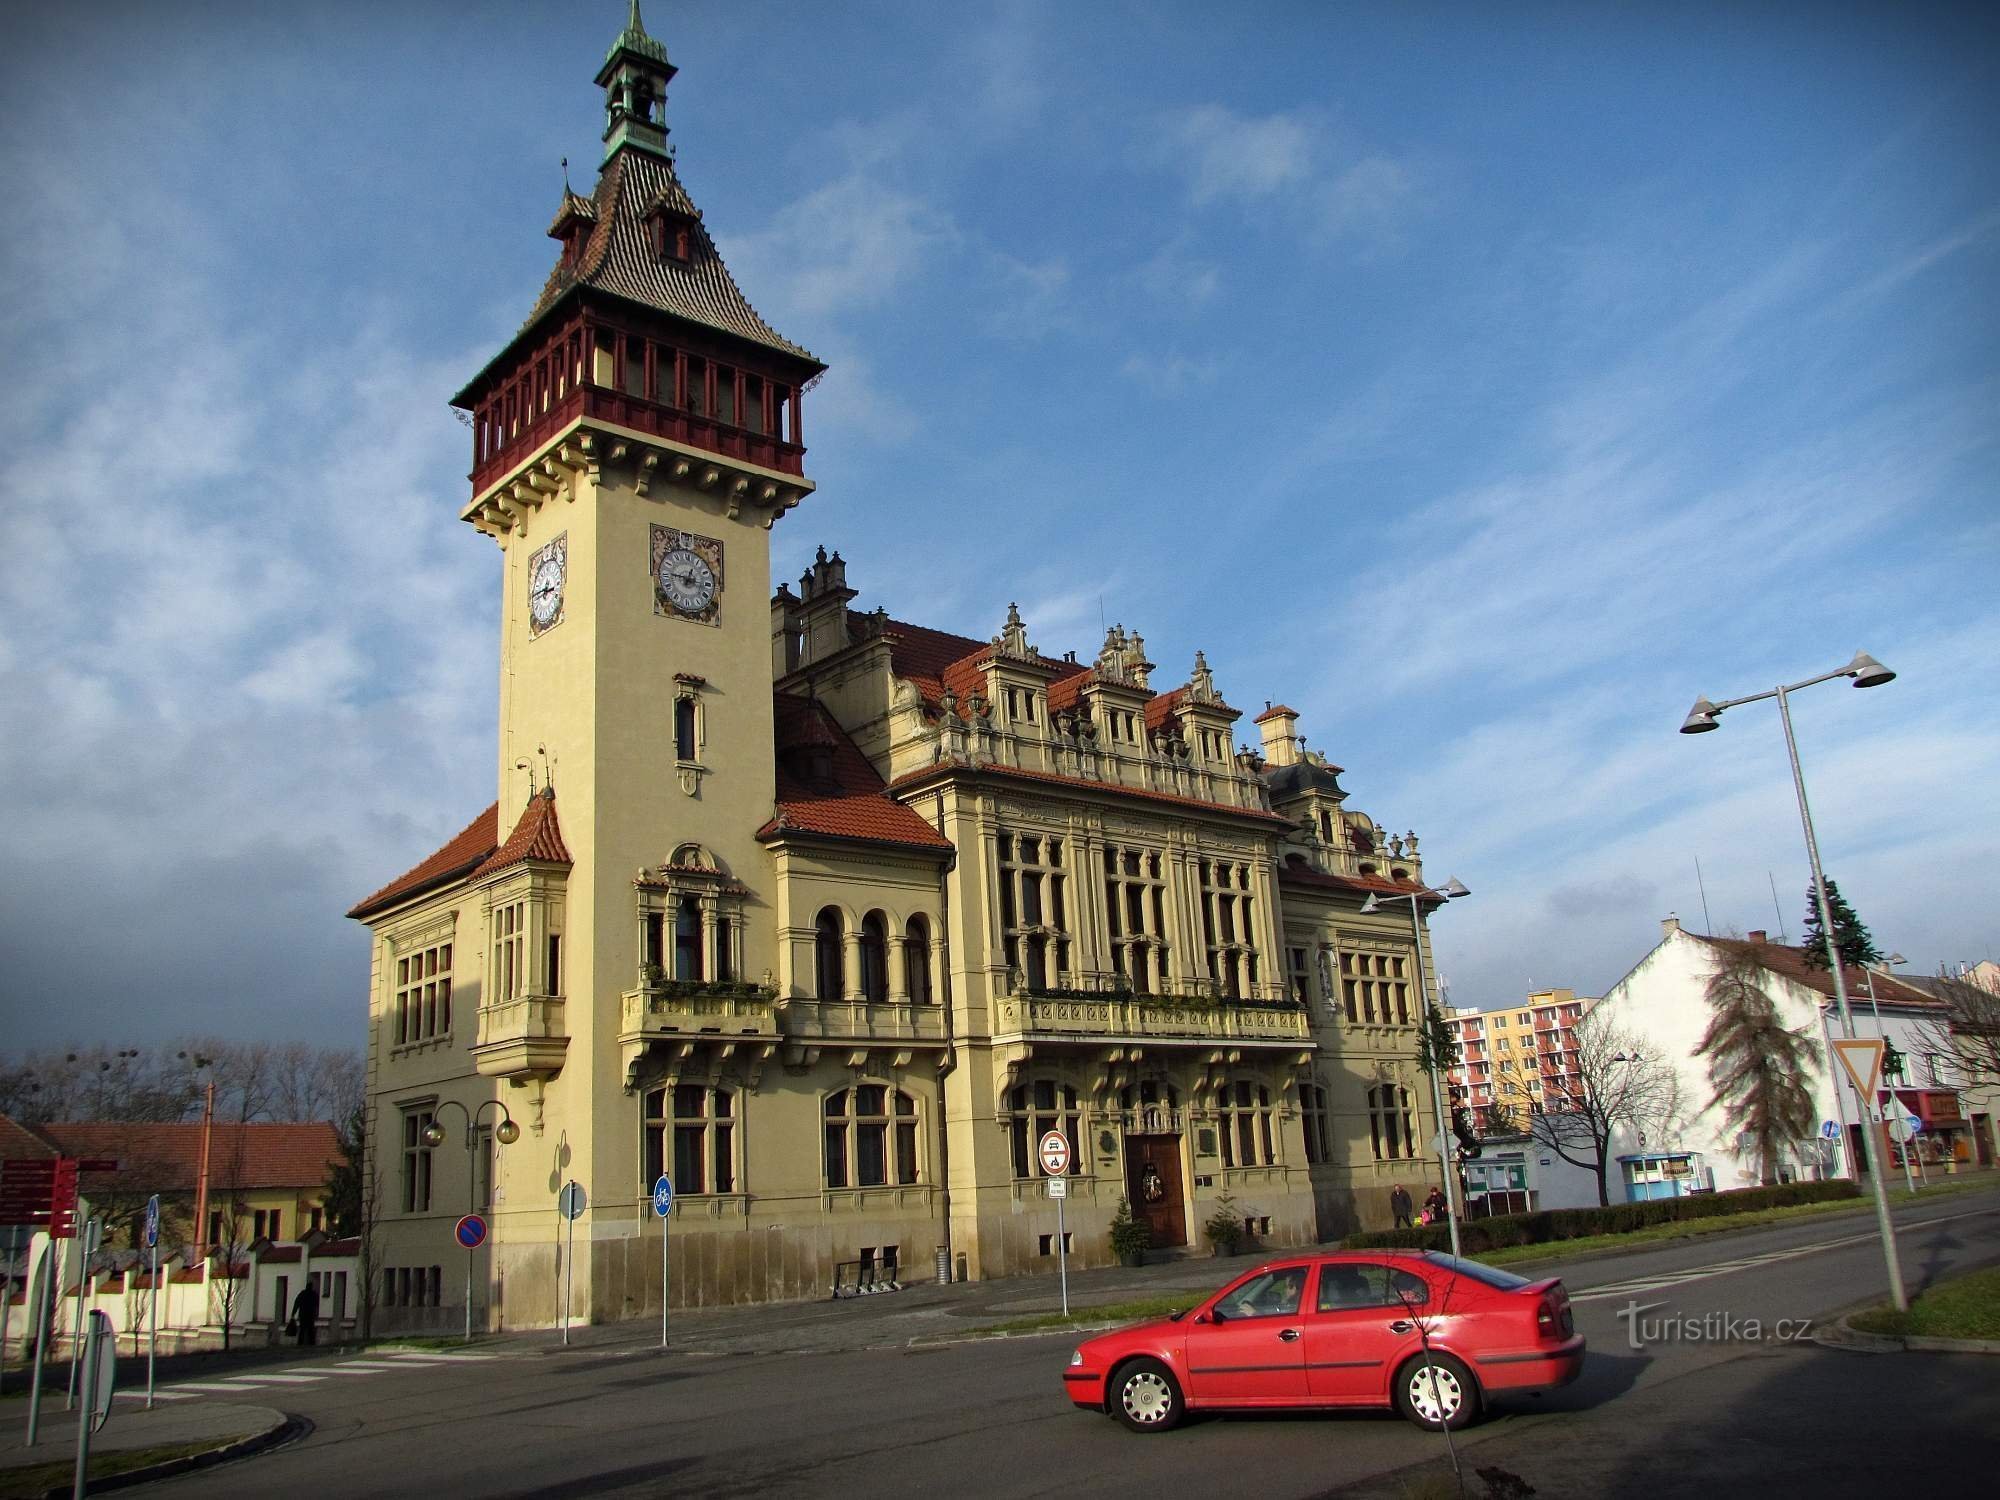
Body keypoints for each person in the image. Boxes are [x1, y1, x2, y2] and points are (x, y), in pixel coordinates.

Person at [290, 1278, 320, 1347]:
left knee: (302, 1329)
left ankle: (300, 1343)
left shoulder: (302, 1294)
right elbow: (317, 1304)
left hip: (302, 1314)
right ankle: (311, 1343)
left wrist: (293, 1313)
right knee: (310, 1329)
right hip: (310, 1314)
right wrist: (316, 1313)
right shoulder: (313, 1294)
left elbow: (296, 1303)